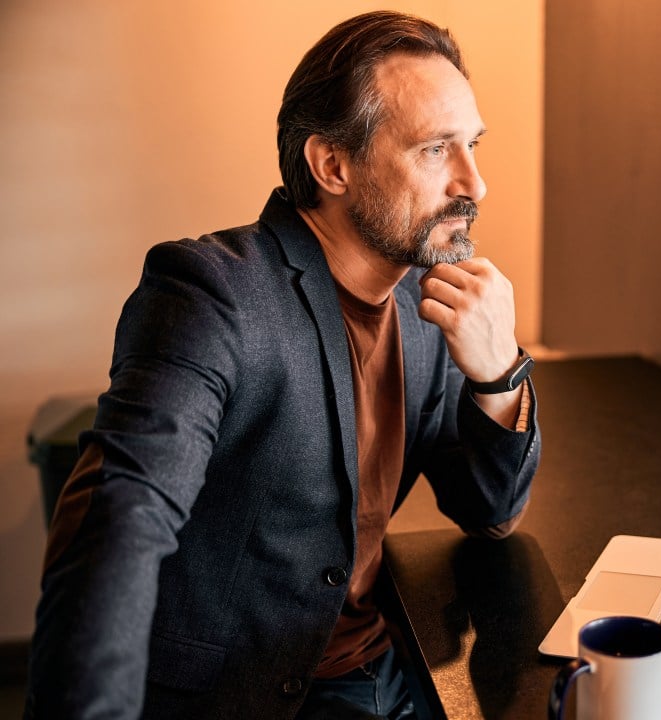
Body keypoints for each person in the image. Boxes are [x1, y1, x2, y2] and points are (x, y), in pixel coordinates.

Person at [24, 11, 540, 720]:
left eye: (473, 145)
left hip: (393, 666)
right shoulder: (213, 293)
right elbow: (122, 522)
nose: (474, 184)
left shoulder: (427, 302)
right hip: (249, 695)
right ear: (332, 165)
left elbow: (489, 510)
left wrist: (497, 374)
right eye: (435, 150)